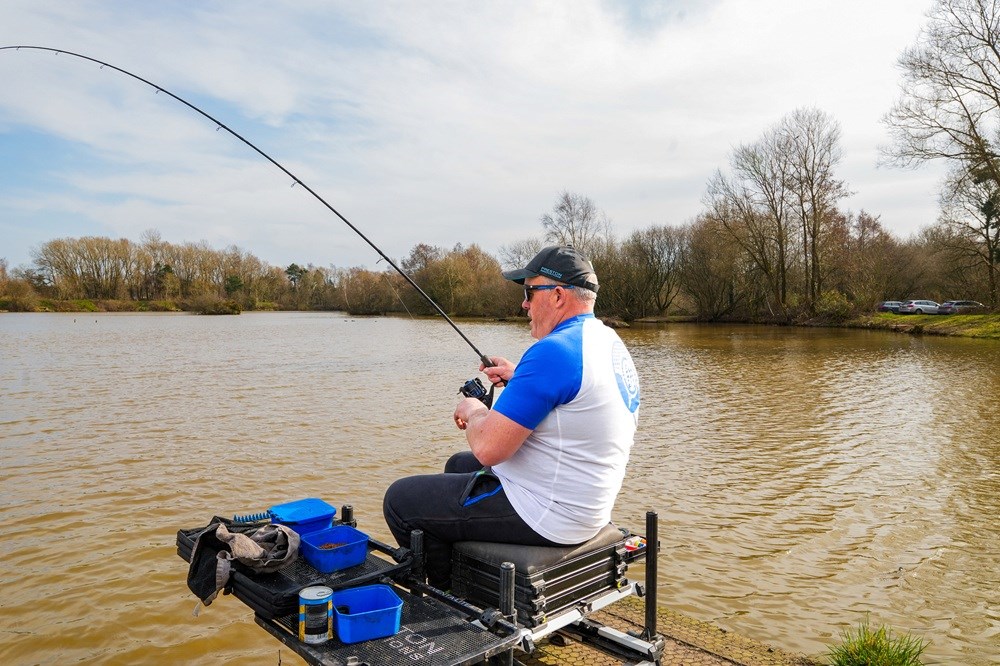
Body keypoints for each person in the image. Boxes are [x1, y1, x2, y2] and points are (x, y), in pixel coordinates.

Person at [382, 245, 640, 588]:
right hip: (586, 503)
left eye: (530, 292)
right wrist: (520, 379)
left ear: (558, 295)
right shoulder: (605, 341)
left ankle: (447, 599)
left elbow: (488, 449)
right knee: (458, 464)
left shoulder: (553, 351)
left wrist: (474, 410)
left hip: (552, 514)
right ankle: (473, 581)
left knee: (401, 500)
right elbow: (573, 397)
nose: (524, 304)